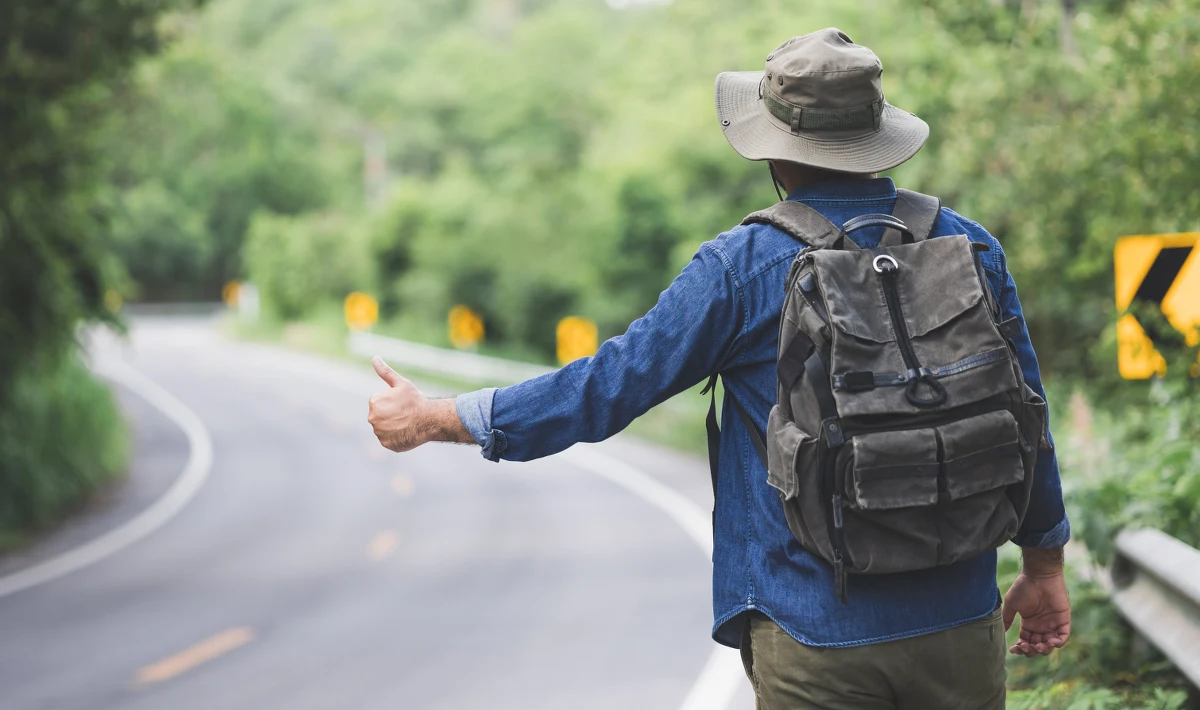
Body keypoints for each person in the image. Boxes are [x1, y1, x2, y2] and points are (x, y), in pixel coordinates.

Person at [368, 27, 1071, 710]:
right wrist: (1044, 566)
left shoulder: (741, 267)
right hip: (959, 625)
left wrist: (439, 417)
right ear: (875, 135)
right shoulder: (970, 248)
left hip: (812, 631)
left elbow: (610, 386)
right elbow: (1027, 417)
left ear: (777, 154)